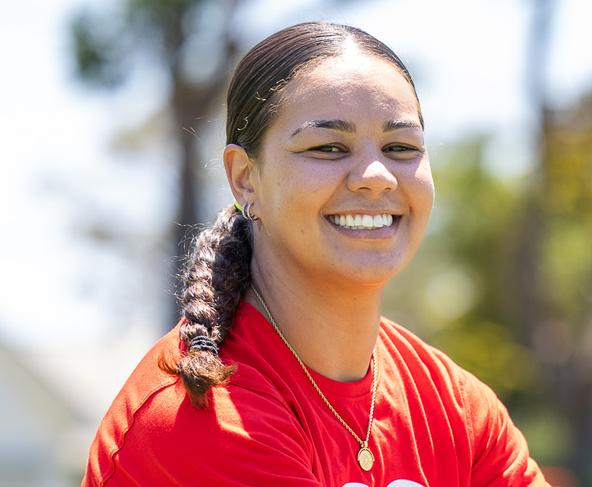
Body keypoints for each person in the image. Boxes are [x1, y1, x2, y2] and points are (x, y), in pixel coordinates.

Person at [82, 21, 549, 487]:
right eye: (328, 147)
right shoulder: (201, 410)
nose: (376, 175)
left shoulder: (456, 408)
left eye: (401, 147)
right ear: (245, 177)